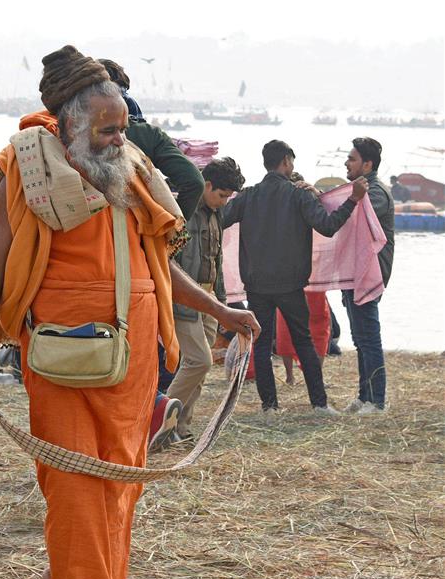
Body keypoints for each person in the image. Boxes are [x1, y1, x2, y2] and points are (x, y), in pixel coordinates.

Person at [0, 45, 259, 579]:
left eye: (122, 125)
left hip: (134, 357)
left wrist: (221, 311)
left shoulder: (134, 169)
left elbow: (157, 265)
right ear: (69, 124)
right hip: (57, 357)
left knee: (121, 484)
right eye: (106, 128)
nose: (118, 137)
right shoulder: (24, 168)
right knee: (72, 486)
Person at [99, 58, 206, 451]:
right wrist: (163, 237)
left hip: (85, 259)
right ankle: (152, 410)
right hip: (137, 255)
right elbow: (191, 182)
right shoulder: (144, 134)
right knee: (144, 342)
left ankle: (124, 426)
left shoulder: (62, 132)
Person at [223, 139, 367, 413]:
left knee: (262, 345)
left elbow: (220, 219)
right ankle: (319, 404)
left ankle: (270, 406)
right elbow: (327, 226)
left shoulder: (248, 196)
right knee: (303, 341)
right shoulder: (299, 195)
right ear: (287, 161)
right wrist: (352, 200)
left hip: (256, 283)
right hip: (290, 284)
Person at [167, 157, 245, 442]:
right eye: (222, 195)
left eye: (228, 197)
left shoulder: (216, 214)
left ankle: (180, 428)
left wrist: (222, 304)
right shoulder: (182, 210)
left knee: (199, 368)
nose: (225, 202)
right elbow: (169, 261)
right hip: (184, 297)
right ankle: (158, 419)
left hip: (209, 296)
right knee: (198, 362)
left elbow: (217, 259)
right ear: (207, 185)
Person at [343, 138, 394, 414]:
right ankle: (365, 396)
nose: (346, 163)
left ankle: (377, 402)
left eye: (352, 159)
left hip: (369, 275)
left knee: (369, 338)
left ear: (367, 164)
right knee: (359, 337)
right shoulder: (359, 191)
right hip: (354, 273)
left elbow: (356, 218)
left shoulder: (375, 193)